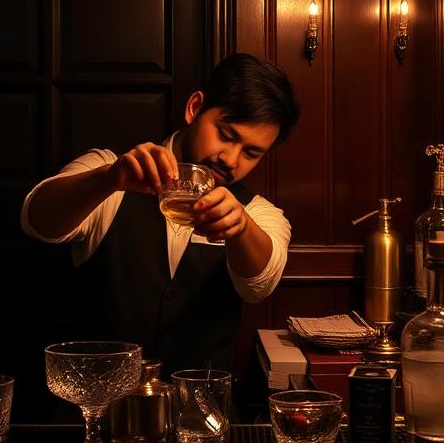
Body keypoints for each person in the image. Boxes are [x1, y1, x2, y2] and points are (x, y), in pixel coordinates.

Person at [21, 53, 299, 372]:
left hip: (200, 401)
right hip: (101, 397)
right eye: (226, 135)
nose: (231, 160)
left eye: (251, 152)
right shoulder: (109, 169)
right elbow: (36, 220)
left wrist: (241, 228)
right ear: (194, 107)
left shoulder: (257, 212)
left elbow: (260, 286)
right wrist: (108, 179)